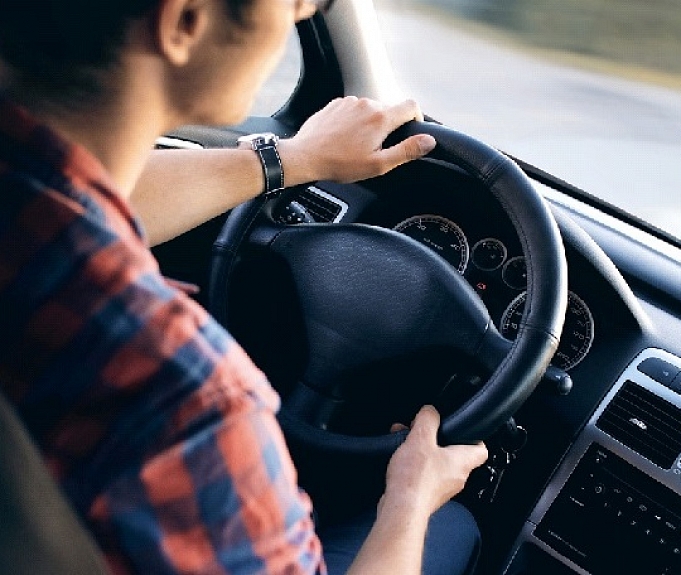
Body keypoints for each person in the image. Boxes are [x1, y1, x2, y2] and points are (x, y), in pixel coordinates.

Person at [0, 0, 488, 574]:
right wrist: (409, 498)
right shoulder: (188, 404)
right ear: (184, 20)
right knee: (449, 527)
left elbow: (84, 199)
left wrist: (294, 159)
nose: (304, 11)